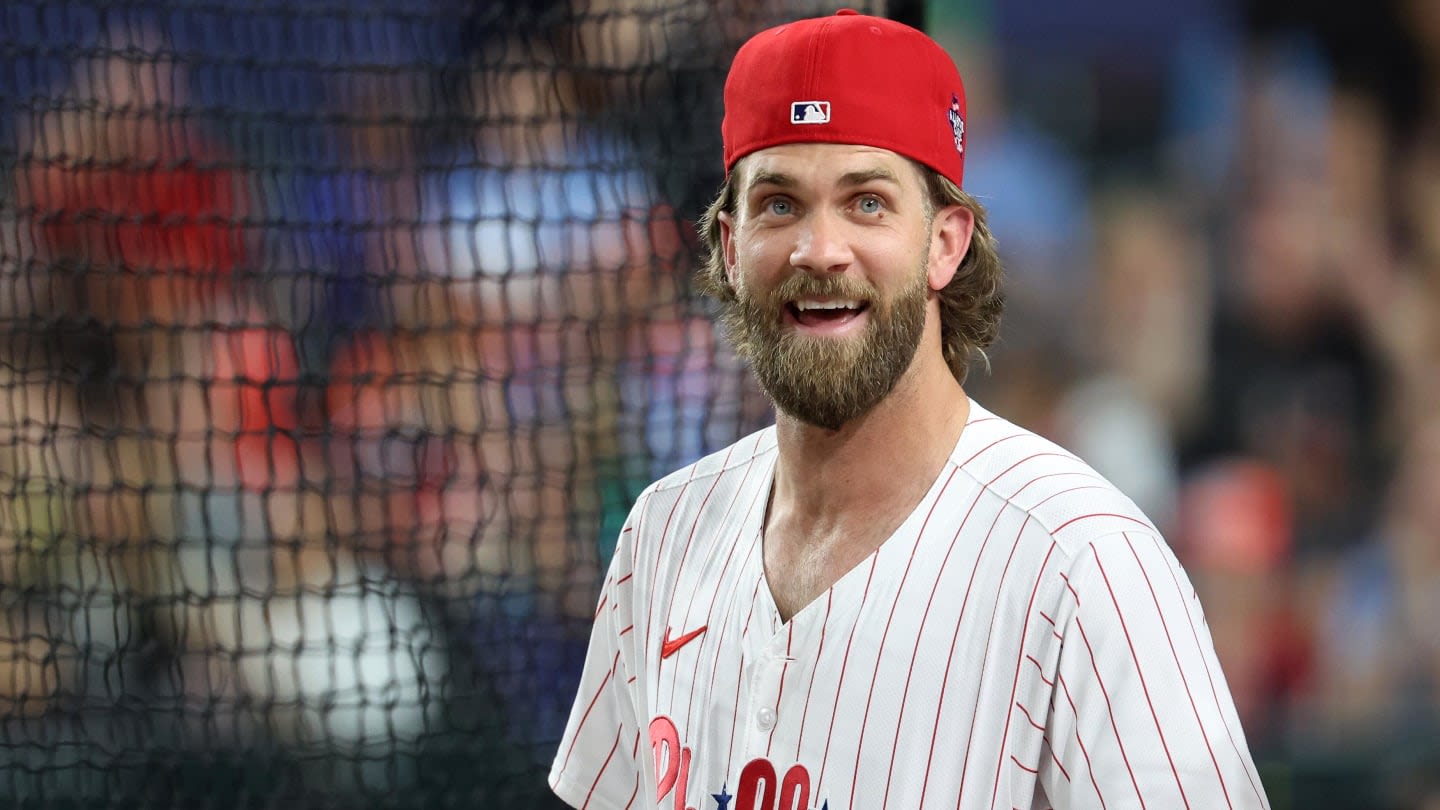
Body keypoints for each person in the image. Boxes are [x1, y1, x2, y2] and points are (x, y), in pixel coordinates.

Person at [549, 9, 1270, 810]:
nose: (819, 250)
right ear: (729, 244)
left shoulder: (1083, 560)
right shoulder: (664, 534)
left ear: (946, 243)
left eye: (866, 204)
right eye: (780, 204)